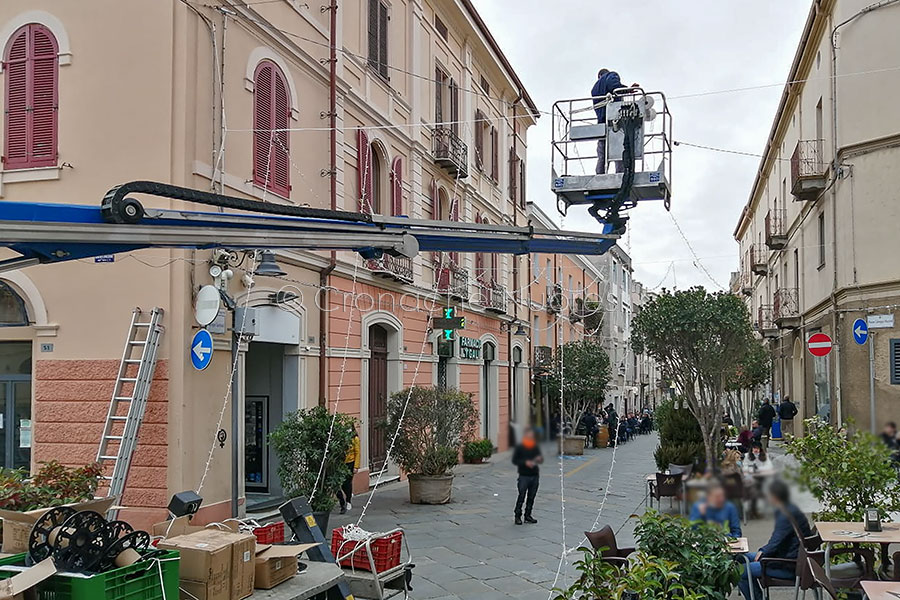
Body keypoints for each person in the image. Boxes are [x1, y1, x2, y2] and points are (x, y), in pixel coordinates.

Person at [738, 480, 812, 600]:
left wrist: (763, 551)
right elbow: (778, 541)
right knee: (741, 558)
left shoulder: (786, 514)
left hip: (789, 565)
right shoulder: (789, 508)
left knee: (739, 571)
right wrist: (763, 551)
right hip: (789, 558)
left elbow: (776, 541)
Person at [590, 69, 634, 174]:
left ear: (599, 76)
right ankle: (621, 174)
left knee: (602, 154)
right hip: (614, 121)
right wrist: (628, 90)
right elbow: (615, 87)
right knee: (618, 150)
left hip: (601, 124)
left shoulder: (594, 88)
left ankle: (600, 174)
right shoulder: (610, 75)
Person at [512, 428, 543, 525]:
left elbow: (540, 459)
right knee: (521, 496)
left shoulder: (535, 447)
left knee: (531, 497)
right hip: (524, 475)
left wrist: (538, 459)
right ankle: (517, 515)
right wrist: (525, 463)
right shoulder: (520, 447)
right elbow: (515, 460)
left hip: (534, 475)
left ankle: (528, 515)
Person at [338, 428, 360, 514]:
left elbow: (357, 453)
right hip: (341, 463)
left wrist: (356, 466)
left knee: (347, 482)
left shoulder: (355, 439)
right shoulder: (341, 438)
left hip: (350, 463)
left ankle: (348, 501)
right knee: (340, 484)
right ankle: (343, 501)